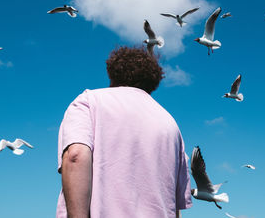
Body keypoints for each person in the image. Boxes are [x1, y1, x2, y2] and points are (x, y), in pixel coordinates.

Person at [56, 46, 192, 218]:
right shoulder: (171, 125)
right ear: (153, 83)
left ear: (112, 73)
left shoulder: (89, 101)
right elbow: (174, 202)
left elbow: (75, 156)